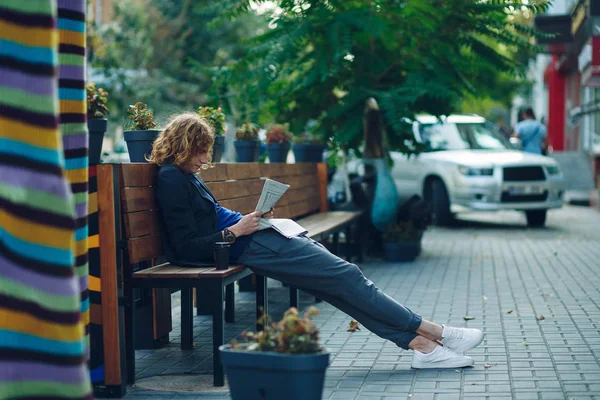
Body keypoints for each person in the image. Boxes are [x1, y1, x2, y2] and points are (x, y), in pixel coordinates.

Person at [150, 113, 484, 369]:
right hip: (246, 245)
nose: (203, 161)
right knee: (347, 275)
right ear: (184, 146)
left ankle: (421, 348)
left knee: (334, 285)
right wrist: (237, 230)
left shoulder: (182, 176)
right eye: (200, 153)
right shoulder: (171, 180)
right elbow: (185, 246)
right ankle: (435, 333)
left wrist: (250, 218)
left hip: (253, 236)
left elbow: (210, 216)